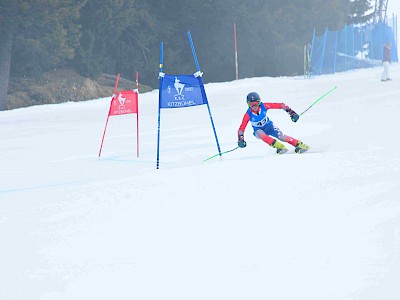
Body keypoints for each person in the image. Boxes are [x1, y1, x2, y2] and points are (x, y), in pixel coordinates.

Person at [237, 92, 310, 154]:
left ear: (259, 102)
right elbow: (241, 129)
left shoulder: (264, 106)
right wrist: (241, 139)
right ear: (248, 104)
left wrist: (291, 113)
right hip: (258, 130)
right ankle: (279, 146)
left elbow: (280, 105)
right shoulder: (248, 114)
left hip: (269, 126)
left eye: (256, 103)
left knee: (281, 137)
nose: (254, 106)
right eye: (251, 104)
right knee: (260, 134)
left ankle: (299, 144)